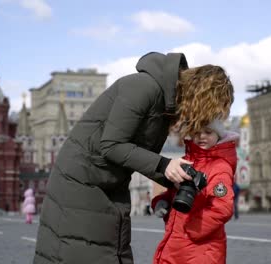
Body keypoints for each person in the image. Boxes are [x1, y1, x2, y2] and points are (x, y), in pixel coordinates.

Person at [33, 52, 234, 264]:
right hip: (82, 181)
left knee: (112, 250)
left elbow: (136, 155)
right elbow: (111, 145)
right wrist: (164, 165)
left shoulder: (165, 107)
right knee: (86, 252)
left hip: (110, 181)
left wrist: (174, 178)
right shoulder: (142, 87)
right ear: (198, 97)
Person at [151, 119, 238, 264]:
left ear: (218, 135)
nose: (201, 136)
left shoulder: (220, 167)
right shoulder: (186, 161)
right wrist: (162, 202)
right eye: (196, 132)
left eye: (208, 132)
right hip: (176, 246)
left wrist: (194, 228)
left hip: (202, 250)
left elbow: (222, 207)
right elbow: (174, 192)